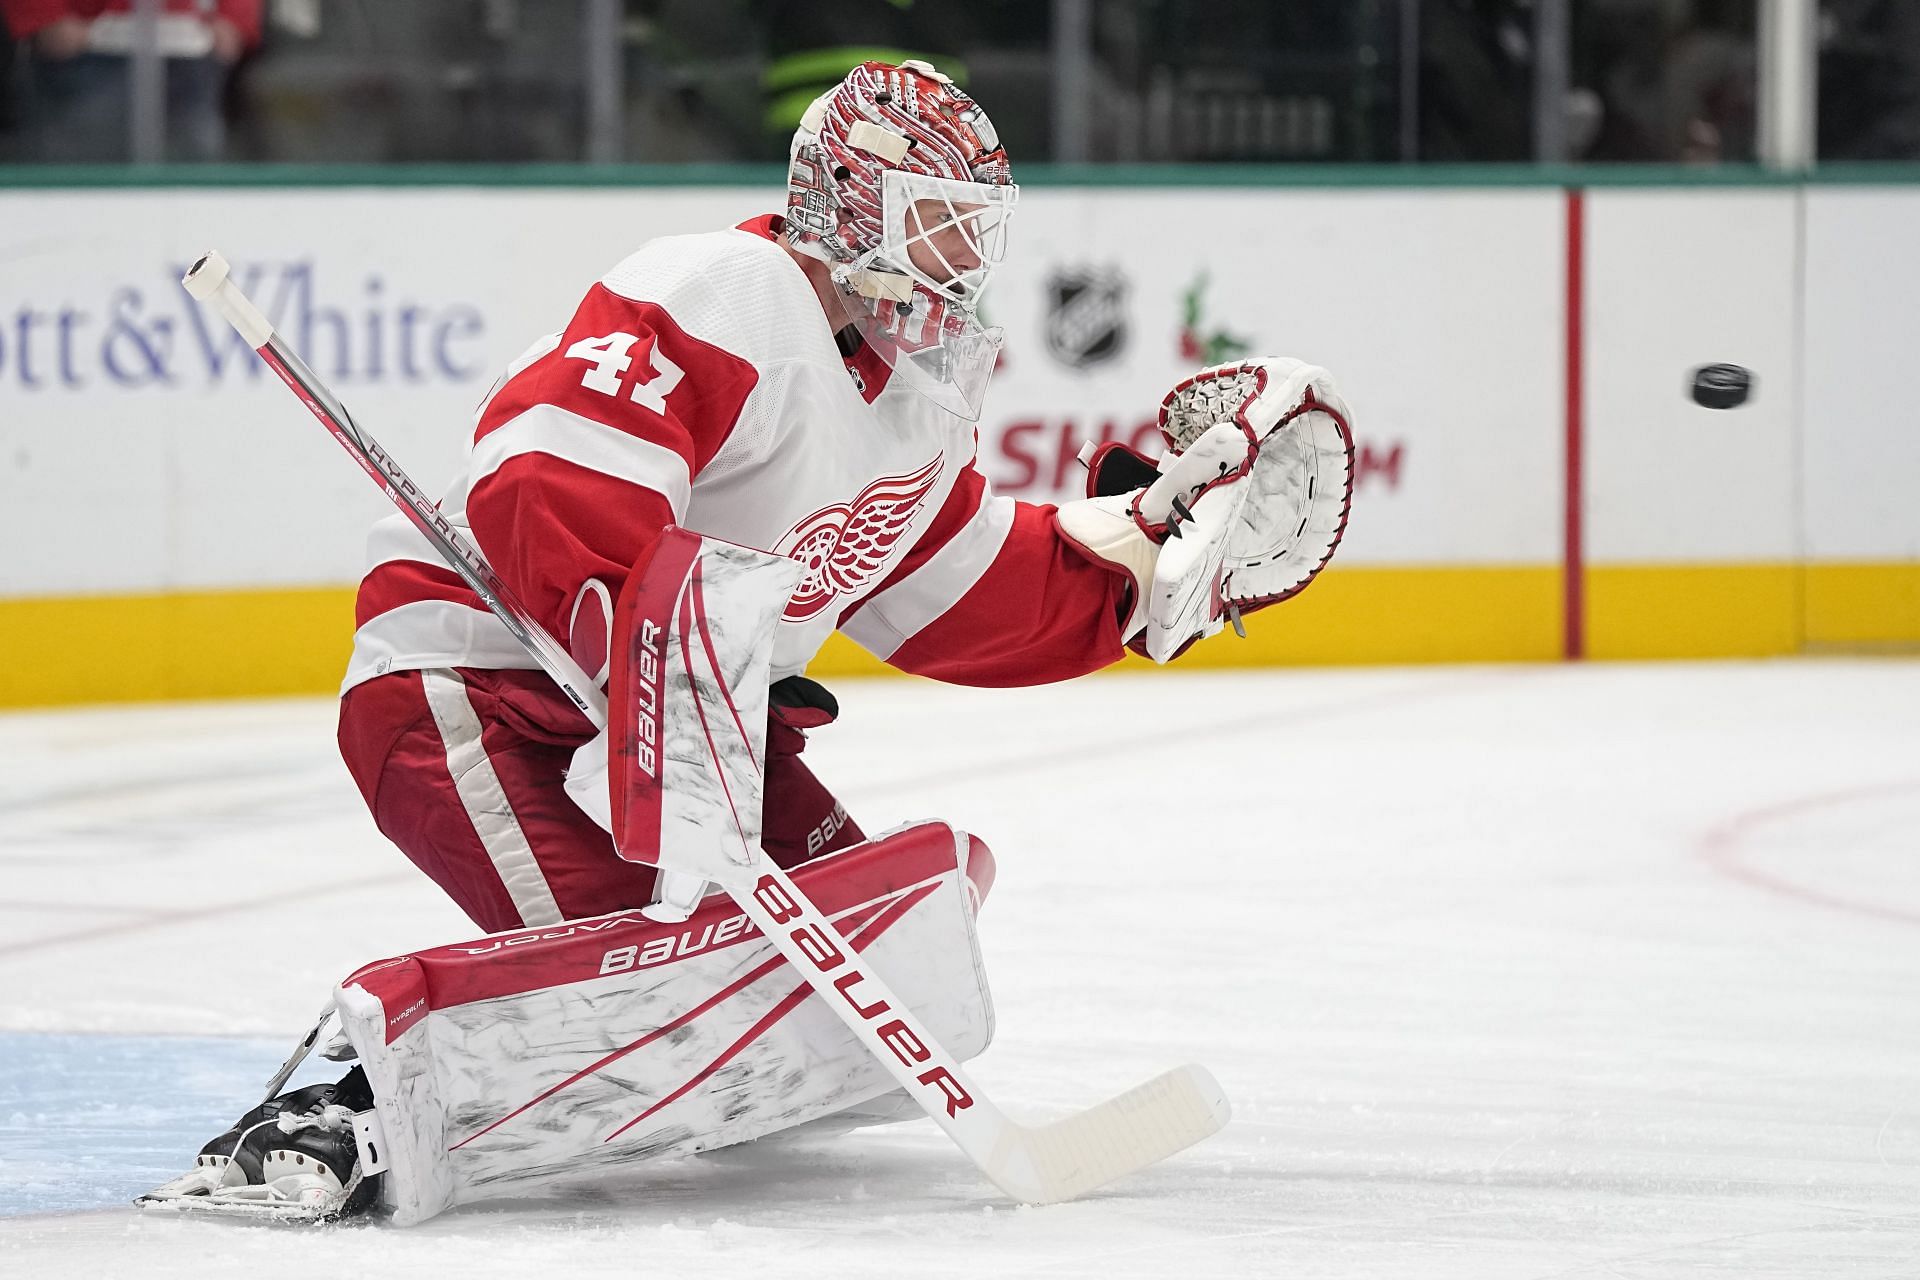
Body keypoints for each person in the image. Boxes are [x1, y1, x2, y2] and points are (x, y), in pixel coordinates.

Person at [145, 59, 1354, 1222]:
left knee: (846, 951)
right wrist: (660, 642)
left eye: (976, 229)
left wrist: (1138, 567)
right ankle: (326, 1118)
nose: (962, 259)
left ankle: (639, 1058)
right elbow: (541, 480)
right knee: (641, 980)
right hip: (477, 688)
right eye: (936, 221)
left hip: (682, 709)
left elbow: (952, 583)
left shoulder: (912, 397)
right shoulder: (730, 290)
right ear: (848, 200)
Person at [2, 0, 260, 162]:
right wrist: (42, 16)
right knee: (79, 173)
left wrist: (234, 19)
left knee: (193, 174)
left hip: (189, 51)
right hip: (83, 49)